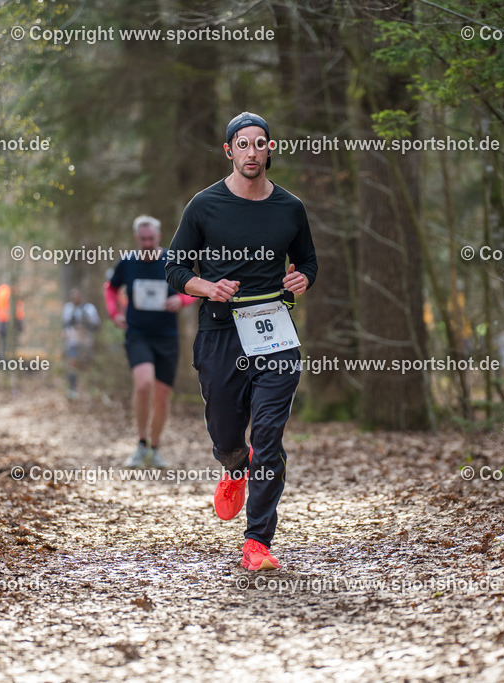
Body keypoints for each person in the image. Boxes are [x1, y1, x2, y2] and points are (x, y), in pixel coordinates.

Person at [165, 112, 317, 571]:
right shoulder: (204, 206)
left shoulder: (290, 208)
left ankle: (257, 541)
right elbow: (175, 269)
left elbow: (308, 260)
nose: (253, 152)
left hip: (273, 330)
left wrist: (302, 278)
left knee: (269, 434)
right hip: (220, 331)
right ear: (229, 151)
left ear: (270, 149)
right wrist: (207, 287)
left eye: (260, 143)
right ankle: (234, 465)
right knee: (227, 430)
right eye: (243, 144)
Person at [106, 215, 196, 469]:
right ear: (137, 238)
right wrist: (115, 314)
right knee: (144, 384)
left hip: (167, 337)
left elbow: (192, 288)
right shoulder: (128, 262)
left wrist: (182, 300)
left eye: (151, 238)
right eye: (142, 239)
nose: (147, 243)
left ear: (158, 237)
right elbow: (111, 288)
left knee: (163, 395)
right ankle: (141, 443)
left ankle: (155, 448)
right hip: (137, 334)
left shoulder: (172, 260)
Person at [62, 288, 100, 400]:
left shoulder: (89, 308)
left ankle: (89, 388)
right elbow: (65, 324)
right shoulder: (68, 308)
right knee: (72, 362)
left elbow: (96, 325)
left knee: (87, 363)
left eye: (76, 296)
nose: (74, 298)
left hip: (86, 340)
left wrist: (85, 329)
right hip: (72, 340)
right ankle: (72, 389)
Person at [0, 283, 24, 356]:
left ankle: (2, 360)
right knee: (12, 342)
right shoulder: (13, 291)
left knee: (3, 342)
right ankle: (8, 360)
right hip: (10, 319)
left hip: (0, 320)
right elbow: (18, 308)